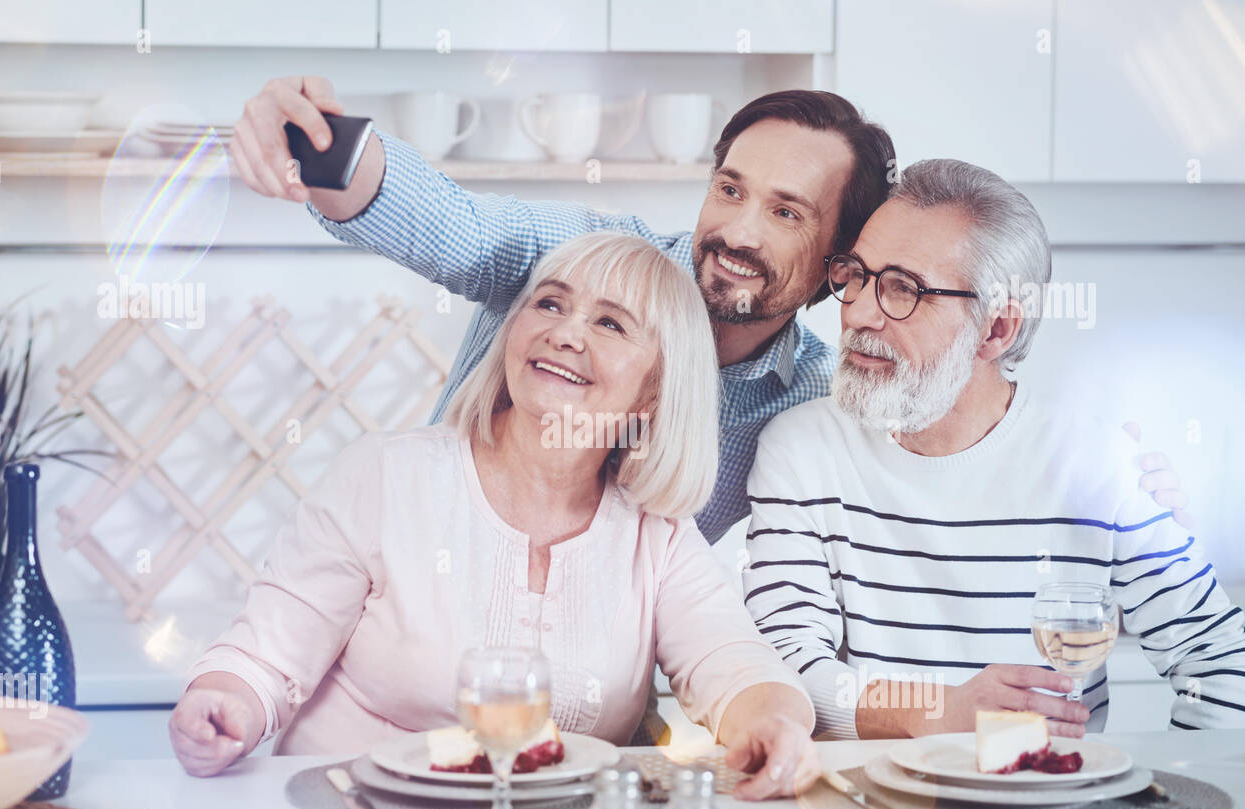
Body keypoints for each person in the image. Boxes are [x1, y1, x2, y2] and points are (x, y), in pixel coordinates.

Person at [230, 76, 1188, 742]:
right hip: (377, 711)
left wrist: (1096, 464)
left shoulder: (817, 404)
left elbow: (945, 411)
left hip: (576, 741)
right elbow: (447, 222)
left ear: (836, 265)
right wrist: (323, 147)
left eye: (786, 213)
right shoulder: (584, 262)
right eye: (730, 188)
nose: (734, 229)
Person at [171, 232, 819, 800]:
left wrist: (772, 719)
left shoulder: (658, 534)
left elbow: (733, 661)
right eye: (550, 303)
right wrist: (228, 700)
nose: (564, 332)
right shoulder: (386, 476)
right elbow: (268, 651)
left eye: (611, 323)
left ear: (656, 390)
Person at [743, 158, 1245, 740]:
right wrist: (939, 711)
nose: (856, 311)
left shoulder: (1098, 463)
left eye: (903, 289)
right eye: (856, 274)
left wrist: (1166, 806)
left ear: (996, 330)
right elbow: (779, 667)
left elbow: (1220, 664)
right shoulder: (803, 450)